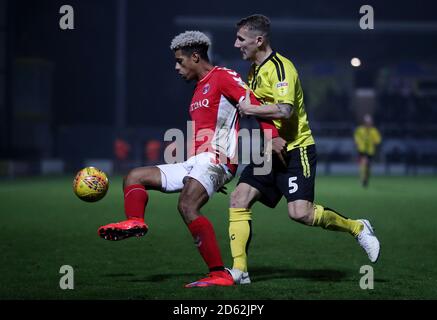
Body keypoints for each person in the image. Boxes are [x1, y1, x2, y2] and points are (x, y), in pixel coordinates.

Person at [98, 31, 283, 288]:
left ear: (195, 57)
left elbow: (254, 103)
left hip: (217, 159)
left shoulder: (223, 76)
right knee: (134, 177)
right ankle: (136, 221)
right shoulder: (198, 90)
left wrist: (272, 136)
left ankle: (218, 273)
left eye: (179, 61)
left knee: (187, 205)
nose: (176, 67)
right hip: (197, 162)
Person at [227, 14, 381, 284]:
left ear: (258, 39)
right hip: (269, 151)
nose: (236, 44)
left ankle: (357, 227)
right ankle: (240, 271)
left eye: (241, 39)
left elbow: (285, 110)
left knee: (301, 213)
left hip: (297, 149)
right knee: (239, 199)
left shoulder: (282, 68)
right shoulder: (253, 71)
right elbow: (265, 115)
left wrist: (250, 108)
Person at [354, 114, 382, 187]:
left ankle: (365, 179)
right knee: (363, 164)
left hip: (370, 151)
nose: (368, 123)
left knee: (368, 167)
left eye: (369, 122)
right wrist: (358, 143)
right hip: (362, 150)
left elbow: (378, 140)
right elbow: (356, 138)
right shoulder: (360, 130)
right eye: (367, 122)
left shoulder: (373, 131)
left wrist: (374, 140)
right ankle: (362, 179)